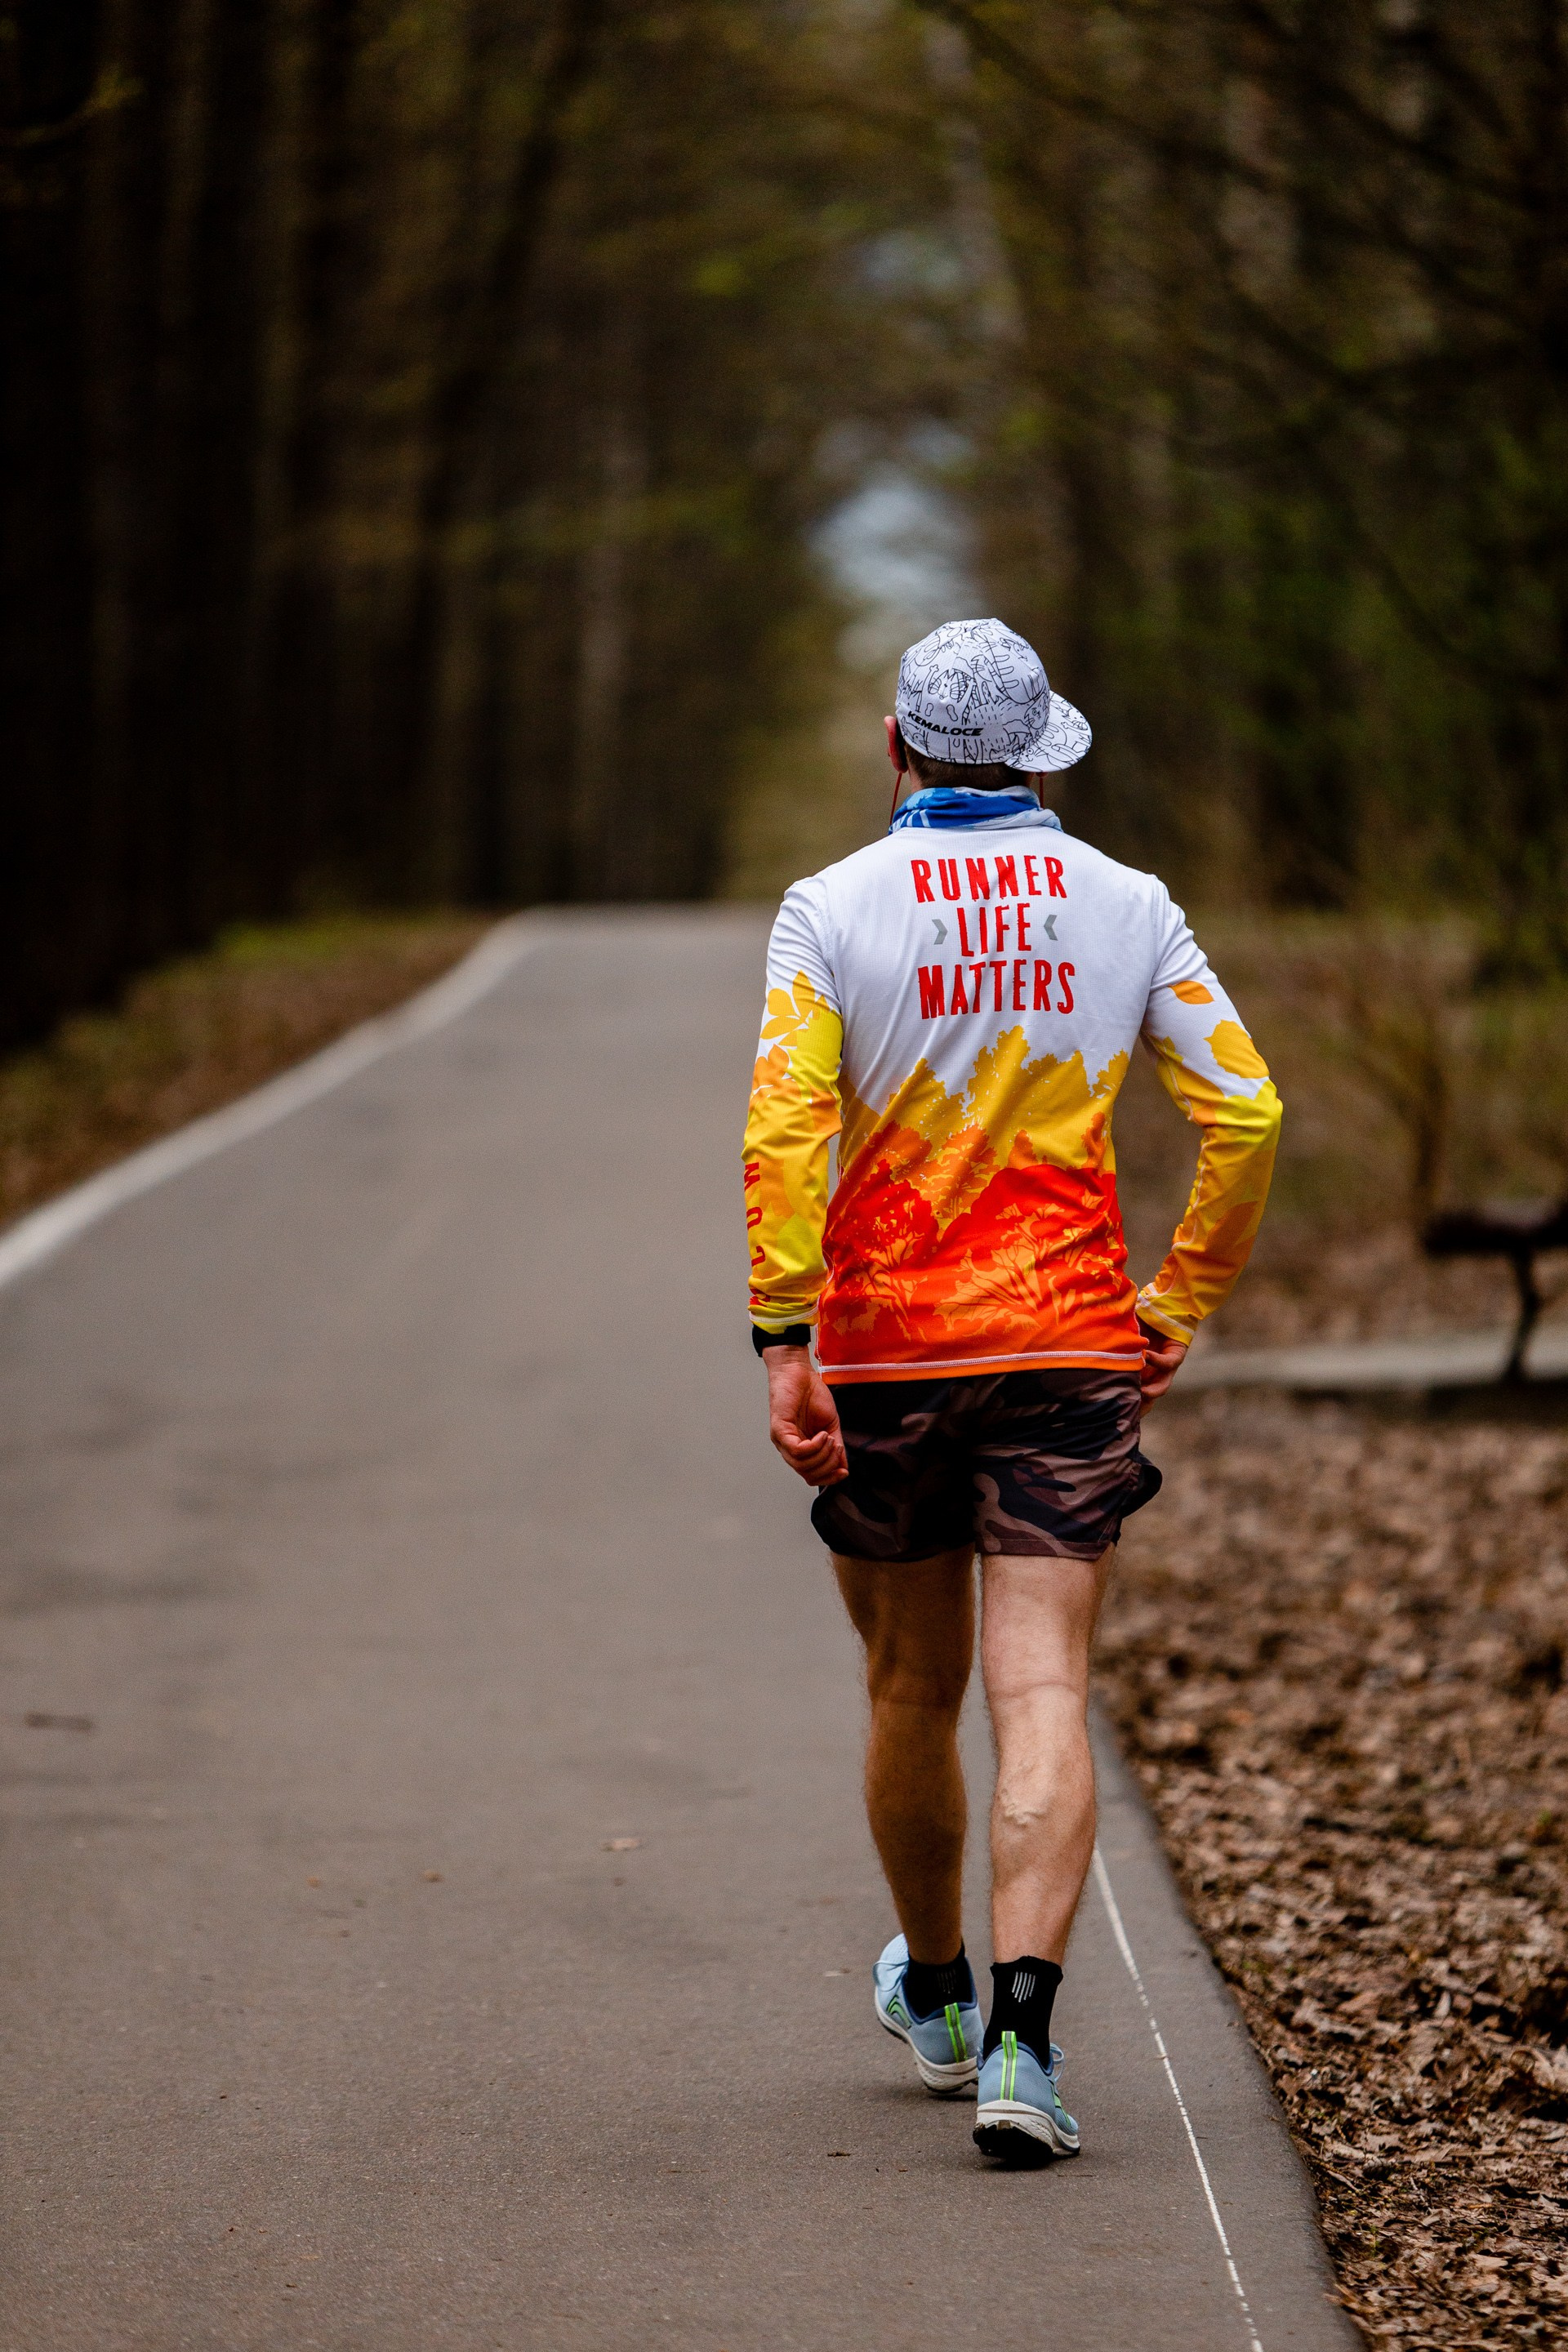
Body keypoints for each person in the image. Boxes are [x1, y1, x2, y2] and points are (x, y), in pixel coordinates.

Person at [742, 617, 1281, 2165]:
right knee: (1042, 1688)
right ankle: (1025, 2059)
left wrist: (785, 1337)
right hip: (1068, 1348)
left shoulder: (827, 910)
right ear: (1042, 752)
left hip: (888, 1351)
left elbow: (787, 1135)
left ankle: (936, 1995)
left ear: (899, 754)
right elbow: (1245, 1113)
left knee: (913, 1687)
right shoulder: (1131, 906)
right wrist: (1173, 1306)